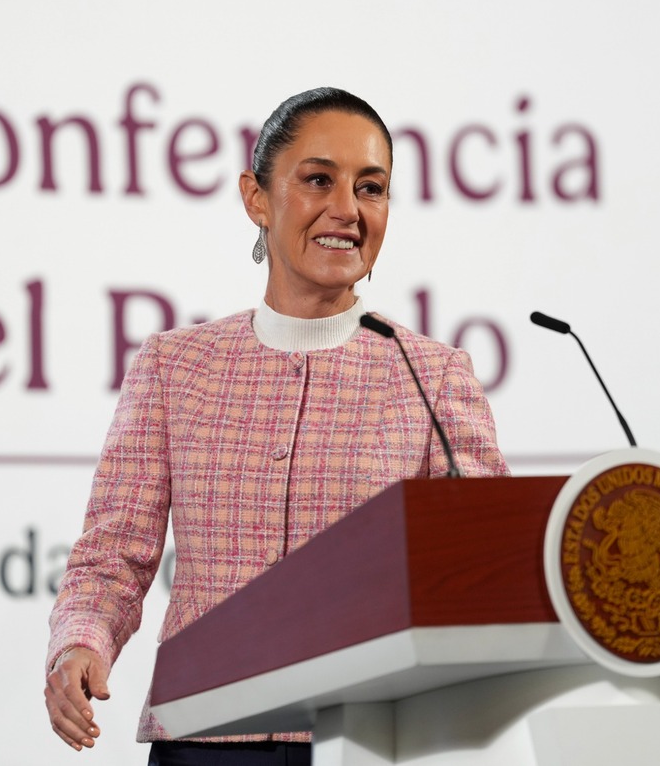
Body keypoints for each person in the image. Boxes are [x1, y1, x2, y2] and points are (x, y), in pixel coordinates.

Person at [44, 88, 508, 764]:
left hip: (372, 738)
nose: (347, 209)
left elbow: (482, 569)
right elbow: (112, 555)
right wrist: (80, 642)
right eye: (318, 179)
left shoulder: (431, 374)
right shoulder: (175, 367)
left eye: (371, 188)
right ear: (256, 198)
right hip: (204, 737)